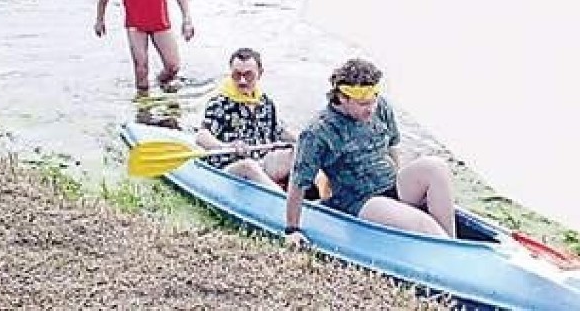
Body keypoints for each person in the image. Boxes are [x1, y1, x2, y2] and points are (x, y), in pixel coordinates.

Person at [284, 58, 457, 247]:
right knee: (424, 225)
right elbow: (298, 182)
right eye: (363, 103)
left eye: (373, 100)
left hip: (391, 183)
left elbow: (392, 147)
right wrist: (292, 229)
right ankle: (445, 246)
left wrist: (403, 191)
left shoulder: (380, 107)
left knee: (436, 166)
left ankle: (452, 241)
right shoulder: (317, 132)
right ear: (343, 98)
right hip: (361, 201)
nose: (371, 108)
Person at [195, 48, 297, 191]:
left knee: (296, 154)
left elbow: (278, 131)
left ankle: (323, 196)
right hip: (230, 168)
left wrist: (302, 141)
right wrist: (227, 147)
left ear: (260, 74)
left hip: (261, 162)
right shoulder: (220, 103)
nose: (242, 81)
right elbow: (202, 136)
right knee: (248, 165)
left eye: (248, 75)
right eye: (237, 75)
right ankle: (284, 202)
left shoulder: (266, 103)